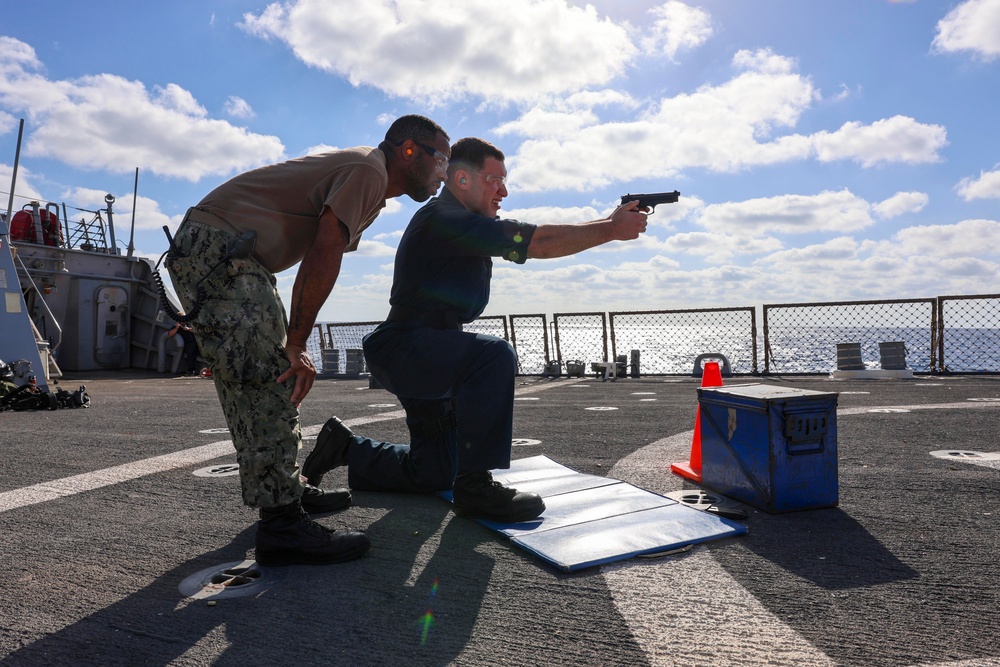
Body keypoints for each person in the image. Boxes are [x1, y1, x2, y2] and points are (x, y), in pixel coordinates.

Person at [302, 137, 647, 523]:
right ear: (462, 179)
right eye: (494, 179)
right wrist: (611, 229)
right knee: (493, 354)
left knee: (432, 472)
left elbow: (532, 238)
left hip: (432, 350)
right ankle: (476, 485)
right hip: (408, 348)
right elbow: (540, 241)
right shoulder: (444, 219)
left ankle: (345, 447)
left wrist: (610, 222)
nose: (504, 190)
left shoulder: (467, 224)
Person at [166, 115, 450, 565]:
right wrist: (296, 342)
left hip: (229, 256)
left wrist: (294, 339)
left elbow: (323, 249)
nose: (445, 173)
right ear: (410, 150)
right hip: (221, 252)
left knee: (262, 376)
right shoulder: (369, 171)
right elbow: (323, 251)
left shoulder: (369, 177)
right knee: (269, 377)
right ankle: (282, 525)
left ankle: (286, 492)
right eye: (442, 159)